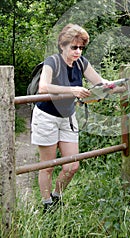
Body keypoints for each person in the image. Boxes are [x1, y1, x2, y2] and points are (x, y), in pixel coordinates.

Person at [31, 23, 110, 212]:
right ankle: (47, 204)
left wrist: (108, 84)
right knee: (48, 166)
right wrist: (72, 90)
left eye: (81, 47)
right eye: (74, 47)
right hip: (47, 116)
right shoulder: (53, 62)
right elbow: (44, 87)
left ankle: (57, 197)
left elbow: (98, 81)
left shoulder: (82, 63)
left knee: (72, 166)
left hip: (67, 117)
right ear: (62, 46)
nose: (78, 51)